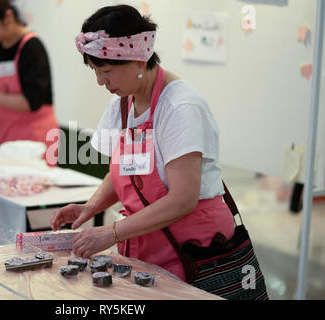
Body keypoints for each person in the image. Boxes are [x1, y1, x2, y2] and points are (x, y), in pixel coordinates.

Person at [50, 5, 236, 282]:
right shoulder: (122, 105)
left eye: (107, 70)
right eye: (95, 71)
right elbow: (125, 173)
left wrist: (111, 231)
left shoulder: (180, 108)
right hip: (143, 242)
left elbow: (182, 199)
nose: (101, 81)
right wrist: (91, 207)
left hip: (193, 249)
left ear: (139, 60)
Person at [0, 0, 59, 165]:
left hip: (34, 141)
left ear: (8, 16)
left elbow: (31, 102)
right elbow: (0, 90)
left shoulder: (32, 48)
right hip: (4, 137)